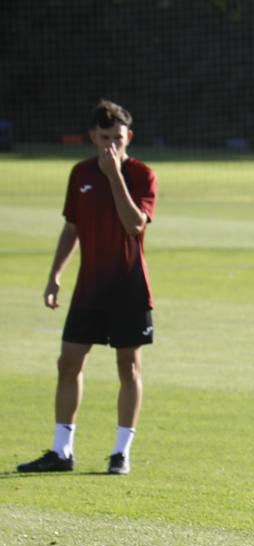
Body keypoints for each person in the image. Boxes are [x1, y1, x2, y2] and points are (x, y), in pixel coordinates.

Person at [18, 99, 157, 476]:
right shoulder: (79, 173)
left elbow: (134, 225)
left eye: (120, 138)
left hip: (128, 287)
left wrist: (114, 176)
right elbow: (72, 228)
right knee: (68, 364)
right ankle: (62, 451)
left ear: (130, 137)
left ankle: (120, 453)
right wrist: (54, 275)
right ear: (93, 136)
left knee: (128, 367)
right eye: (106, 137)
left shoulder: (141, 175)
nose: (114, 145)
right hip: (90, 288)